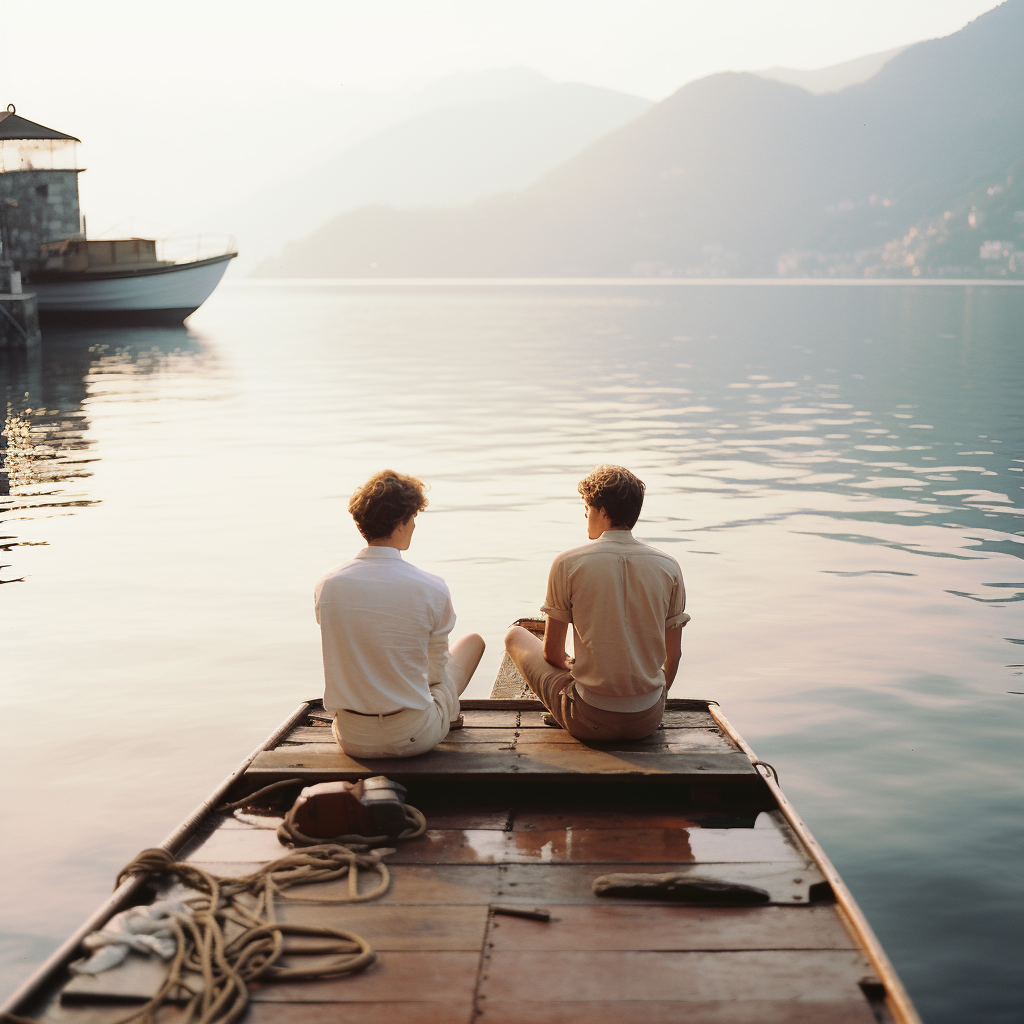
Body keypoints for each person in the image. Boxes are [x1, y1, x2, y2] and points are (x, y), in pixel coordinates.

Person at [505, 464, 689, 742]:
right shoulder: (669, 566)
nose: (585, 515)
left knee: (515, 636)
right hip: (647, 721)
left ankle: (567, 707)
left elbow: (552, 653)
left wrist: (571, 664)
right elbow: (673, 656)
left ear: (602, 511)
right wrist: (653, 703)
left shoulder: (567, 563)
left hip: (589, 719)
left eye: (587, 508)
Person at [315, 470, 484, 758]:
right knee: (472, 643)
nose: (415, 525)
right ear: (401, 522)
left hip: (352, 737)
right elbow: (434, 674)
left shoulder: (327, 585)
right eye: (413, 517)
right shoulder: (432, 587)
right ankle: (450, 716)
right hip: (412, 735)